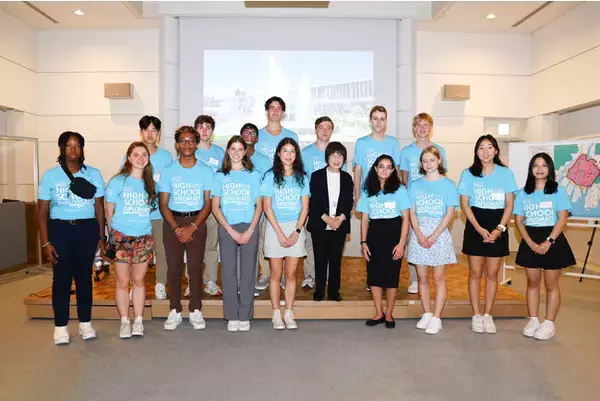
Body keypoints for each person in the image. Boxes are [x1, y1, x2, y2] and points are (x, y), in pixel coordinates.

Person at [37, 131, 106, 345]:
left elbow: (99, 208)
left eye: (77, 145)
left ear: (82, 149)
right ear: (62, 148)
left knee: (84, 278)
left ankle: (85, 323)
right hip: (60, 230)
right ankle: (60, 327)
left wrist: (101, 237)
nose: (73, 149)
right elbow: (41, 211)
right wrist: (45, 242)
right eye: (69, 145)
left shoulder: (93, 173)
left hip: (87, 229)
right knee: (62, 279)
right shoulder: (50, 176)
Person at [458, 134, 517, 334]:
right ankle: (476, 314)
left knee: (492, 274)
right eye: (481, 148)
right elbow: (465, 204)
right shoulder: (468, 174)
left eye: (489, 147)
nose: (485, 151)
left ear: (496, 150)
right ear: (476, 152)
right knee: (475, 272)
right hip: (476, 225)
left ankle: (487, 314)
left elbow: (509, 205)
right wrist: (478, 228)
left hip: (497, 225)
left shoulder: (506, 173)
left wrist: (499, 229)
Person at [514, 152, 575, 341]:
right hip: (530, 239)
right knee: (532, 283)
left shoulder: (558, 191)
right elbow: (519, 221)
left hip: (553, 240)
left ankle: (549, 323)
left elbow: (562, 219)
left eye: (544, 165)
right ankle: (533, 320)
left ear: (550, 169)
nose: (539, 169)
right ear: (531, 169)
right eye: (535, 165)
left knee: (551, 285)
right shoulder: (523, 193)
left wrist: (549, 241)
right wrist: (530, 242)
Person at [159, 126, 213, 331]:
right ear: (177, 144)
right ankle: (174, 309)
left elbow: (207, 204)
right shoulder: (168, 170)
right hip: (172, 222)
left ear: (197, 144)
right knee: (174, 268)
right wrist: (176, 228)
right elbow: (163, 203)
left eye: (191, 140)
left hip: (196, 222)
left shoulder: (206, 170)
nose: (187, 144)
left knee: (195, 268)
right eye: (183, 140)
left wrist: (192, 227)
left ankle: (195, 309)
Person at [211, 136, 263, 332]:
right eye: (232, 148)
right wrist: (231, 230)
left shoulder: (253, 175)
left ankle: (245, 315)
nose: (236, 152)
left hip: (249, 227)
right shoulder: (220, 176)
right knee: (228, 272)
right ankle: (232, 314)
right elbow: (215, 207)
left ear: (245, 152)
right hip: (227, 227)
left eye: (240, 149)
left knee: (248, 272)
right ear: (227, 151)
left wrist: (250, 229)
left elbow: (259, 206)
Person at [106, 142, 157, 338]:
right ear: (129, 158)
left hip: (143, 237)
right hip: (121, 237)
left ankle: (138, 321)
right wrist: (114, 236)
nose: (140, 158)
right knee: (122, 281)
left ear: (148, 159)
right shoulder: (117, 181)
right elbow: (109, 211)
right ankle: (124, 321)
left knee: (138, 281)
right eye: (136, 154)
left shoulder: (151, 184)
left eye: (144, 155)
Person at [407, 146, 458, 335]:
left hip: (439, 234)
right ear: (421, 164)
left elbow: (450, 213)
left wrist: (435, 235)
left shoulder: (449, 185)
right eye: (425, 161)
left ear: (439, 161)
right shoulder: (415, 184)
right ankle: (427, 313)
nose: (428, 164)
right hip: (419, 233)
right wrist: (419, 234)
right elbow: (412, 212)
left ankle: (437, 317)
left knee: (438, 278)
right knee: (422, 278)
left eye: (432, 160)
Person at [357, 154, 411, 329]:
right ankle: (379, 312)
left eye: (389, 167)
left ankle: (389, 313)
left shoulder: (400, 189)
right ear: (375, 168)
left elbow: (406, 218)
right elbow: (365, 219)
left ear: (393, 170)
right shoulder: (367, 189)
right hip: (374, 236)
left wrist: (402, 243)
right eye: (381, 166)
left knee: (391, 277)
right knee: (374, 276)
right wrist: (363, 242)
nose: (385, 170)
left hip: (394, 237)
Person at [260, 138, 309, 330]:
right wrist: (279, 234)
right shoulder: (269, 177)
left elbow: (305, 208)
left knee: (291, 274)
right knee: (275, 273)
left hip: (295, 227)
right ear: (278, 154)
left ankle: (288, 312)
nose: (289, 155)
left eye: (292, 151)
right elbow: (267, 208)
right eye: (285, 151)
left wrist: (296, 231)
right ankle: (276, 314)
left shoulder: (302, 178)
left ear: (296, 155)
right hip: (275, 228)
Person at [353, 106, 401, 291]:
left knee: (389, 239)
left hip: (389, 197)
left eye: (382, 118)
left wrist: (398, 194)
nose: (378, 122)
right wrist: (357, 196)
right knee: (371, 239)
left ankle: (388, 279)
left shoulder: (393, 142)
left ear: (386, 121)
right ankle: (372, 279)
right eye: (375, 118)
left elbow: (396, 170)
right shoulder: (362, 143)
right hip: (369, 196)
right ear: (370, 120)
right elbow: (358, 170)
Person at [400, 113, 448, 295]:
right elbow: (404, 180)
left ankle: (434, 278)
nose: (422, 128)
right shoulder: (406, 152)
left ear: (431, 128)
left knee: (435, 239)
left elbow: (443, 177)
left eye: (426, 125)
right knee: (414, 240)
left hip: (434, 206)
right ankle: (415, 279)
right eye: (418, 125)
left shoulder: (439, 150)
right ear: (414, 128)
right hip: (414, 204)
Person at [254, 96, 299, 291]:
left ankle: (285, 276)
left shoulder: (291, 135)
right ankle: (267, 273)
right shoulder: (257, 135)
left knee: (287, 233)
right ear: (267, 111)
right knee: (264, 236)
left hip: (286, 196)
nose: (275, 111)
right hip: (263, 193)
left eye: (279, 108)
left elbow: (297, 165)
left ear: (283, 112)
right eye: (271, 108)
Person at [301, 116, 347, 290]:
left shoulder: (338, 152)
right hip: (312, 206)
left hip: (334, 210)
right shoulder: (306, 153)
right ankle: (309, 275)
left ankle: (327, 278)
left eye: (328, 127)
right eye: (321, 127)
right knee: (310, 243)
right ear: (315, 129)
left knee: (332, 248)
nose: (325, 130)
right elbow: (301, 179)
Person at [307, 142, 353, 301]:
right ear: (327, 157)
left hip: (339, 224)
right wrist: (327, 219)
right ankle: (319, 291)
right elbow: (313, 202)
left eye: (340, 156)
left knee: (335, 261)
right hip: (320, 224)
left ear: (344, 159)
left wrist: (340, 218)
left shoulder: (347, 178)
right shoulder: (317, 176)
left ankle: (334, 292)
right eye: (333, 155)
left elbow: (348, 202)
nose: (336, 159)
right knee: (320, 260)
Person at [136, 116, 173, 301]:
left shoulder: (166, 156)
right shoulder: (134, 153)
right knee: (138, 250)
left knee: (161, 249)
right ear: (141, 132)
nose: (150, 134)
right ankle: (137, 283)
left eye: (154, 130)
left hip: (159, 213)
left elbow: (171, 183)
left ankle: (160, 283)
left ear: (159, 133)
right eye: (146, 130)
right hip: (138, 214)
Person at [194, 115, 225, 297]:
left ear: (212, 131)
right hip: (194, 206)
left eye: (208, 127)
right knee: (194, 246)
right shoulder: (190, 150)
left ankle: (210, 280)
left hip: (213, 206)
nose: (204, 130)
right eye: (200, 127)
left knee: (212, 244)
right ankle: (193, 281)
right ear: (195, 130)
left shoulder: (219, 153)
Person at [240, 122, 271, 295]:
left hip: (260, 211)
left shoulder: (264, 160)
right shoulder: (235, 156)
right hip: (240, 211)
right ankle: (245, 280)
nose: (249, 135)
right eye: (246, 132)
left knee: (261, 244)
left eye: (253, 133)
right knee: (244, 248)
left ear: (257, 139)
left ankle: (265, 274)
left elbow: (267, 185)